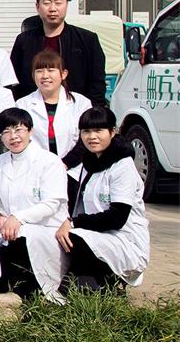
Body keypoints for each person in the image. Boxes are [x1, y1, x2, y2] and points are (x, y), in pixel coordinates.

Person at [0, 108, 68, 302]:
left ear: (31, 131)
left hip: (45, 230)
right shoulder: (0, 162)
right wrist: (0, 216)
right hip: (9, 231)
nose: (13, 137)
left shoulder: (49, 161)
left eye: (18, 130)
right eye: (6, 132)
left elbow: (52, 204)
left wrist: (18, 218)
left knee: (22, 240)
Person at [56, 107, 150, 293]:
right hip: (99, 235)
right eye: (86, 131)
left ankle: (107, 281)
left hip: (124, 240)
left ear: (112, 132)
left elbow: (117, 218)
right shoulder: (89, 162)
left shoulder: (123, 166)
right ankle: (97, 286)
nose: (92, 137)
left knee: (74, 237)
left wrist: (74, 223)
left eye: (98, 130)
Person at [10, 0, 106, 103]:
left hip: (76, 107)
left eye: (58, 3)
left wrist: (90, 110)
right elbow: (14, 80)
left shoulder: (87, 39)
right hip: (32, 107)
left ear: (66, 5)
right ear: (37, 7)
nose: (53, 9)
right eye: (47, 3)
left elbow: (97, 83)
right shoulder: (24, 41)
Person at [16, 49, 92, 159]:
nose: (45, 76)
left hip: (74, 165)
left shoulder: (81, 103)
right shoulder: (22, 105)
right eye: (39, 71)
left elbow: (86, 138)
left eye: (50, 70)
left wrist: (66, 163)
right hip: (36, 165)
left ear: (63, 74)